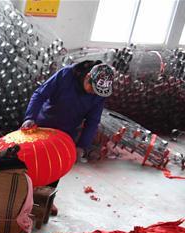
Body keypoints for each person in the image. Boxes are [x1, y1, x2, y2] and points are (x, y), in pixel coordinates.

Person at [21, 61, 115, 214]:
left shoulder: (98, 94)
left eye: (97, 91)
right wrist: (29, 117)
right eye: (92, 88)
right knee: (32, 162)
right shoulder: (66, 75)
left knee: (55, 166)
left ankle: (46, 199)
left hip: (67, 131)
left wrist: (82, 146)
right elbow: (40, 94)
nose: (93, 93)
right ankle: (24, 197)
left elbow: (93, 121)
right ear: (88, 76)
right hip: (42, 124)